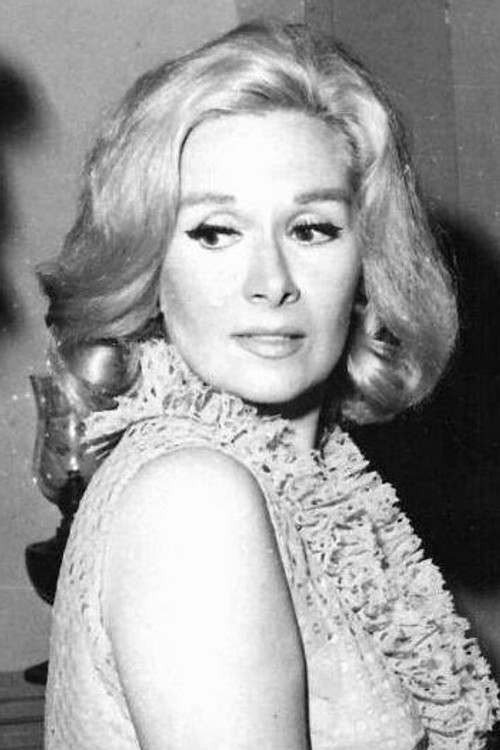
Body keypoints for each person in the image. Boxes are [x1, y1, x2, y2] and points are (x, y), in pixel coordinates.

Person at [38, 20, 498, 750]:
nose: (272, 283)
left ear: (369, 261)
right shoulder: (194, 498)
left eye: (311, 228)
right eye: (215, 231)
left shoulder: (299, 479)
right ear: (149, 265)